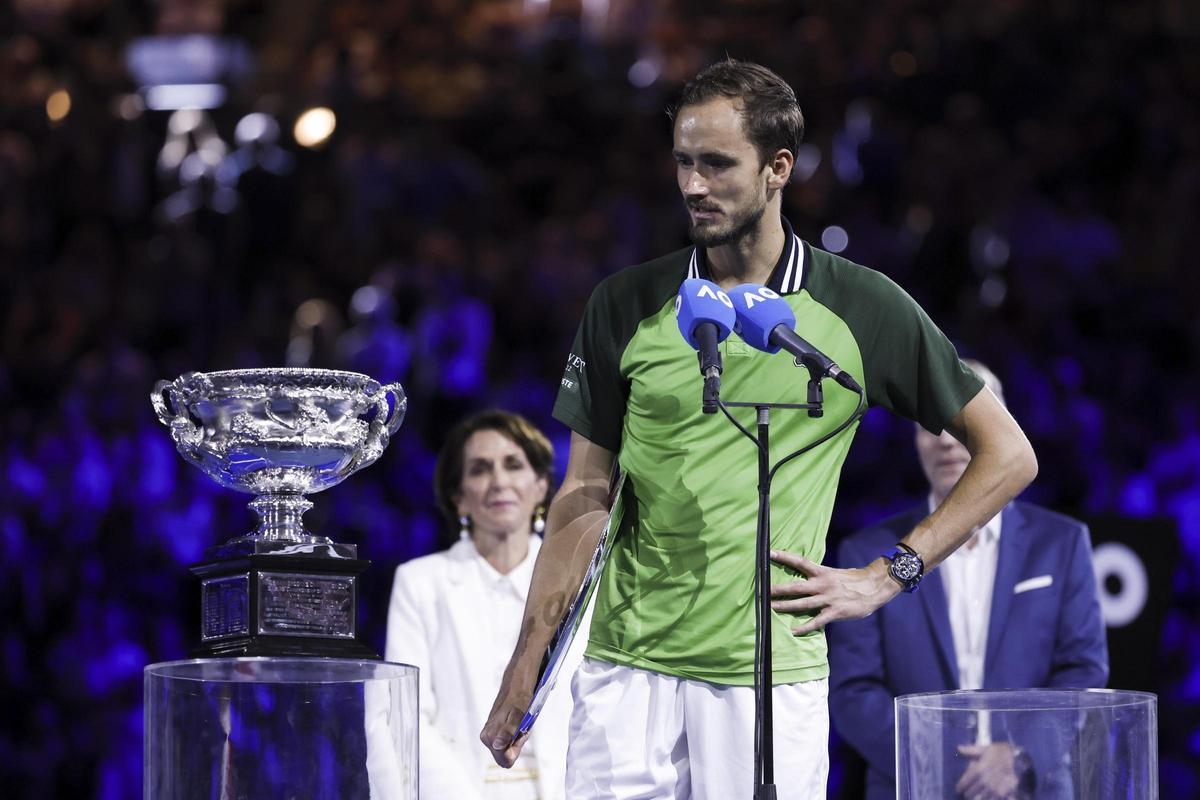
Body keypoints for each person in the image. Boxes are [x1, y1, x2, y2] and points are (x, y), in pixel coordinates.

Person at [480, 59, 1038, 799]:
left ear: (779, 168)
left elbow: (1008, 455)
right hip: (626, 671)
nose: (691, 186)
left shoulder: (861, 308)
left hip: (770, 680)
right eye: (683, 161)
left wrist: (888, 575)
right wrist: (528, 662)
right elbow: (584, 493)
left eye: (716, 165)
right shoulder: (626, 302)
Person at [827, 361, 1108, 800]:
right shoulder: (867, 554)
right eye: (931, 423)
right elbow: (853, 691)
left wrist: (1018, 755)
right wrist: (944, 764)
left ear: (1004, 426)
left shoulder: (1062, 544)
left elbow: (1083, 669)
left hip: (1035, 787)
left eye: (966, 421)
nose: (947, 441)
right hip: (912, 785)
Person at [386, 410, 580, 800]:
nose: (499, 482)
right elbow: (401, 719)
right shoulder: (420, 582)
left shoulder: (578, 584)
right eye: (479, 469)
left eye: (513, 465)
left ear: (542, 486)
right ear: (458, 497)